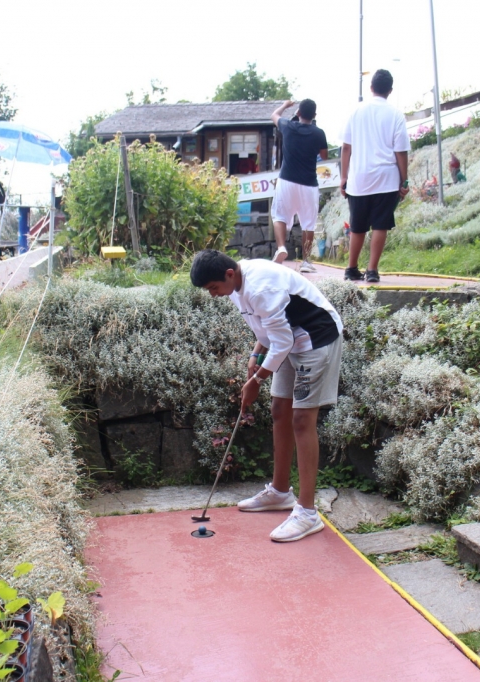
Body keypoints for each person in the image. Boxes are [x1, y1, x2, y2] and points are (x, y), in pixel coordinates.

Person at [189, 249, 343, 542]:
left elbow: (282, 338)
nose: (213, 295)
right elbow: (266, 329)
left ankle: (308, 513)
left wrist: (257, 379)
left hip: (316, 339)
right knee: (279, 411)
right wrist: (255, 355)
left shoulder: (262, 287)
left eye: (213, 288)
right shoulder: (236, 286)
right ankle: (280, 492)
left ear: (229, 274)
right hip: (287, 340)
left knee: (301, 419)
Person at [339, 69, 410, 283]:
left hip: (358, 179)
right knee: (380, 225)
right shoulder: (396, 114)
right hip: (386, 179)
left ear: (371, 88)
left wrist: (344, 177)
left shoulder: (356, 112)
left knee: (357, 225)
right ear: (390, 90)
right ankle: (371, 271)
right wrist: (403, 180)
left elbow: (345, 148)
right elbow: (401, 151)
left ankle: (351, 268)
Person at [270, 99, 328, 273]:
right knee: (308, 223)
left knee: (280, 215)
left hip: (286, 180)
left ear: (299, 113)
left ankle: (281, 247)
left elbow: (274, 115)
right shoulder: (319, 133)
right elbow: (324, 156)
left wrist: (286, 106)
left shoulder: (288, 126)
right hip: (308, 184)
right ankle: (306, 261)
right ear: (314, 115)